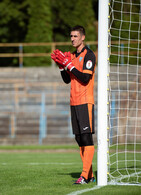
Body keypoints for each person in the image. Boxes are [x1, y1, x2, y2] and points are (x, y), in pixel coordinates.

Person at [51, 25, 96, 184]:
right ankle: (89, 175)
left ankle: (84, 175)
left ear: (83, 37)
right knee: (79, 138)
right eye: (71, 36)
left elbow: (84, 78)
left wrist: (69, 65)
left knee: (86, 137)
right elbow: (67, 80)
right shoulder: (70, 56)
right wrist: (63, 67)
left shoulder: (89, 55)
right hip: (74, 101)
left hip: (85, 101)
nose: (72, 39)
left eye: (75, 36)